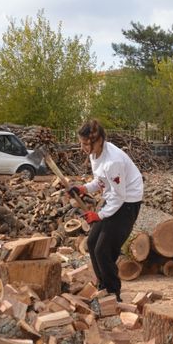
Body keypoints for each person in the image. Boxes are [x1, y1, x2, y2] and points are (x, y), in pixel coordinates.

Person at [68, 120, 144, 301]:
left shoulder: (113, 161)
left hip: (127, 203)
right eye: (82, 142)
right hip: (114, 199)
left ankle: (113, 293)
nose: (83, 147)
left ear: (99, 140)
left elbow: (119, 196)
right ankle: (103, 286)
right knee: (93, 244)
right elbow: (101, 182)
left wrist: (99, 214)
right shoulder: (96, 155)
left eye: (86, 143)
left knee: (104, 249)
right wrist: (84, 189)